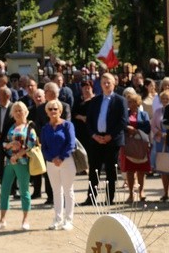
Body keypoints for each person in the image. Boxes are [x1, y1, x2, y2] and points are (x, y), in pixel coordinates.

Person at [0, 101, 38, 231]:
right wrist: (10, 145)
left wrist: (16, 156)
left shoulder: (29, 128)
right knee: (5, 190)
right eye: (15, 110)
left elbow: (31, 146)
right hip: (9, 162)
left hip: (22, 162)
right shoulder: (11, 127)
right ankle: (2, 220)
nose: (18, 113)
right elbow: (4, 144)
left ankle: (25, 220)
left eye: (20, 110)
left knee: (24, 191)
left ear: (25, 112)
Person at [84, 73, 128, 206]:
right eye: (103, 82)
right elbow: (89, 121)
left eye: (109, 82)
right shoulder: (95, 101)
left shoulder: (120, 100)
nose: (106, 84)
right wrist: (94, 135)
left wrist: (110, 136)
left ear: (114, 84)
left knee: (110, 170)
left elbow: (123, 121)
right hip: (96, 139)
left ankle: (109, 198)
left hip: (112, 140)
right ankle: (91, 198)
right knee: (94, 170)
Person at [41, 99, 76, 231]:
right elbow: (43, 147)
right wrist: (51, 158)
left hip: (66, 161)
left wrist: (61, 158)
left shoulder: (67, 125)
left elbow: (71, 143)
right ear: (47, 112)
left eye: (55, 109)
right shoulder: (45, 128)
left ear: (60, 111)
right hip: (51, 163)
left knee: (68, 191)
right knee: (56, 191)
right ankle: (57, 219)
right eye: (50, 109)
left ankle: (69, 220)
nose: (53, 111)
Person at [121, 93, 151, 203]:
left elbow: (147, 127)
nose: (131, 104)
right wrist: (127, 127)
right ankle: (130, 194)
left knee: (141, 170)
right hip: (128, 144)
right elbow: (121, 125)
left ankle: (141, 191)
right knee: (130, 170)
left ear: (138, 102)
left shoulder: (144, 115)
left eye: (133, 101)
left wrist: (135, 129)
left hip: (141, 144)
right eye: (129, 102)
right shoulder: (125, 114)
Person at [151, 90, 169, 201]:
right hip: (161, 141)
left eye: (167, 99)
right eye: (163, 99)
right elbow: (153, 125)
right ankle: (166, 192)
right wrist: (160, 133)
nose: (165, 101)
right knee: (163, 167)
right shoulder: (158, 111)